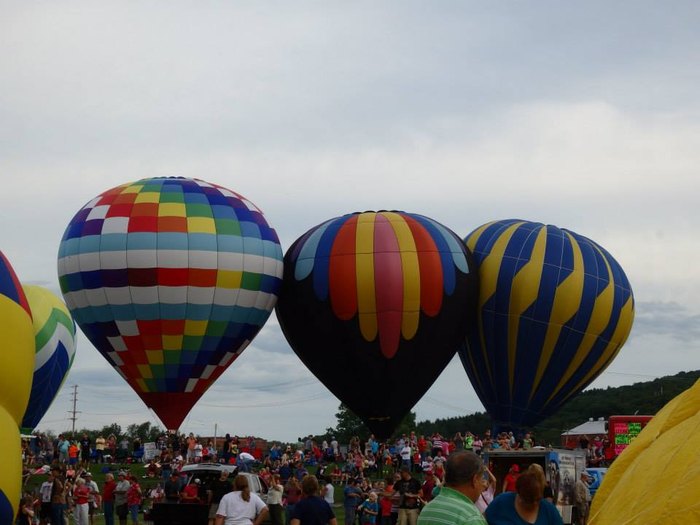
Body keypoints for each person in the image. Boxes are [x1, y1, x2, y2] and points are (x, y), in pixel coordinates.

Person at [417, 450, 486, 525]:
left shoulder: (427, 509)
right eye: (482, 479)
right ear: (475, 480)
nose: (484, 484)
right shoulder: (471, 517)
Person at [485, 471, 563, 525]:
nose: (535, 504)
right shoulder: (501, 502)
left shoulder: (549, 511)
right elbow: (482, 520)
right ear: (518, 493)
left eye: (537, 500)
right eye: (529, 500)